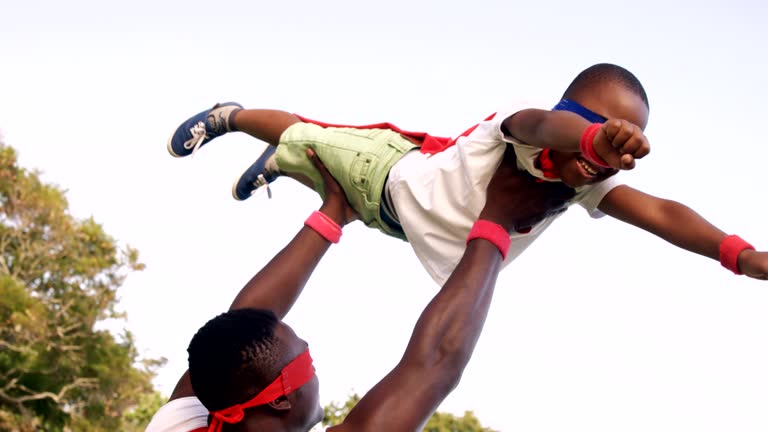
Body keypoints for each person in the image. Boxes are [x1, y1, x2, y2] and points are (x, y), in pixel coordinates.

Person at [166, 63, 768, 283]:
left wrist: (740, 256)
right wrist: (593, 138)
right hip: (386, 172)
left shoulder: (584, 182)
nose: (609, 149)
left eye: (624, 136)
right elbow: (541, 126)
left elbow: (662, 213)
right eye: (602, 127)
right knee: (308, 133)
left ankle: (282, 166)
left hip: (396, 224)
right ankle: (235, 117)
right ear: (573, 118)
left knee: (327, 188)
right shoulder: (519, 125)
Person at [146, 149, 574, 431]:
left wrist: (332, 215)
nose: (314, 364)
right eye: (306, 360)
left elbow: (242, 325)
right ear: (279, 401)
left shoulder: (191, 417)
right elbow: (435, 362)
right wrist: (496, 220)